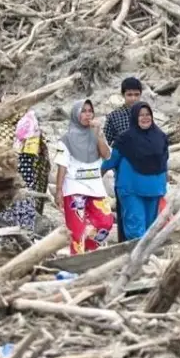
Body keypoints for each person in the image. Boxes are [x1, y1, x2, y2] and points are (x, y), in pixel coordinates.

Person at [0, 94, 51, 231]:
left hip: (20, 171)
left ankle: (27, 230)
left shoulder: (17, 124)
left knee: (23, 200)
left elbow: (33, 144)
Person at [102, 102, 169, 241]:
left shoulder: (161, 137)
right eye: (141, 115)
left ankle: (146, 259)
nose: (145, 118)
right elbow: (111, 160)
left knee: (150, 229)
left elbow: (164, 162)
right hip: (131, 190)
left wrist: (163, 187)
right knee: (136, 229)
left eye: (147, 114)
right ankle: (137, 260)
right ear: (134, 117)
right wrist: (96, 174)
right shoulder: (125, 139)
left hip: (154, 190)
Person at [55, 99, 114, 254]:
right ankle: (78, 259)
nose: (87, 114)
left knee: (106, 222)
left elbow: (107, 155)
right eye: (83, 111)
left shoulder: (96, 134)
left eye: (90, 111)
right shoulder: (67, 139)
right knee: (77, 229)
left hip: (96, 187)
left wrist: (99, 135)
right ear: (76, 115)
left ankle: (90, 248)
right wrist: (59, 190)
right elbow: (62, 165)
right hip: (74, 188)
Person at [103, 77, 145, 242]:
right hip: (123, 171)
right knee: (125, 208)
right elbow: (106, 143)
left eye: (136, 94)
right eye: (129, 94)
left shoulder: (145, 114)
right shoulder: (114, 117)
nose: (133, 98)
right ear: (123, 95)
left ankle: (143, 242)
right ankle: (124, 243)